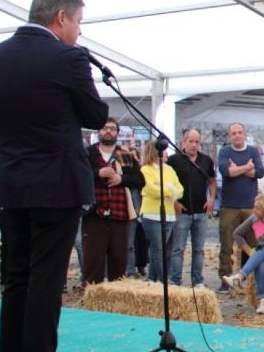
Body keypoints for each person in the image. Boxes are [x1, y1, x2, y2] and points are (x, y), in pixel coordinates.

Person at [0, 0, 108, 352]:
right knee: (47, 278)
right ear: (60, 18)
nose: (80, 32)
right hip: (57, 184)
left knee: (16, 277)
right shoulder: (68, 58)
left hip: (12, 182)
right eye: (79, 22)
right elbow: (96, 115)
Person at [82, 118, 142, 284]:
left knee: (119, 260)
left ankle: (116, 299)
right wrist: (98, 173)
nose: (108, 131)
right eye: (104, 128)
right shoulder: (89, 153)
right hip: (94, 214)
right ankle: (92, 300)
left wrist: (120, 179)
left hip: (119, 214)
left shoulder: (123, 154)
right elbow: (78, 176)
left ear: (117, 132)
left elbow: (139, 179)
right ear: (98, 132)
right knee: (93, 261)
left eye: (112, 129)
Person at [217, 122, 264, 290]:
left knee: (252, 243)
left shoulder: (253, 151)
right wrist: (247, 167)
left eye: (240, 132)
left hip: (251, 206)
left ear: (244, 134)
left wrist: (238, 169)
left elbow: (260, 172)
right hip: (229, 206)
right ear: (230, 136)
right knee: (226, 244)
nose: (237, 135)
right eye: (234, 133)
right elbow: (226, 172)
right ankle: (225, 279)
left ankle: (248, 277)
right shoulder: (224, 151)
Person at [166, 129, 216, 287]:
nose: (194, 145)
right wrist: (174, 202)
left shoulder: (206, 160)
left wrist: (212, 199)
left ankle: (197, 280)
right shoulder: (174, 160)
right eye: (191, 141)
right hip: (182, 211)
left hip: (201, 211)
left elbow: (212, 181)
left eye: (197, 142)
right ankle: (175, 280)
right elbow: (167, 184)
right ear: (183, 142)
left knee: (199, 249)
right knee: (178, 248)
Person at [138, 141, 182, 283]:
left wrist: (165, 188)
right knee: (158, 249)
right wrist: (170, 189)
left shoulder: (169, 169)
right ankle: (164, 281)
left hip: (169, 215)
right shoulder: (145, 169)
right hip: (151, 214)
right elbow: (152, 189)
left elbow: (180, 190)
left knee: (160, 249)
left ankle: (152, 279)